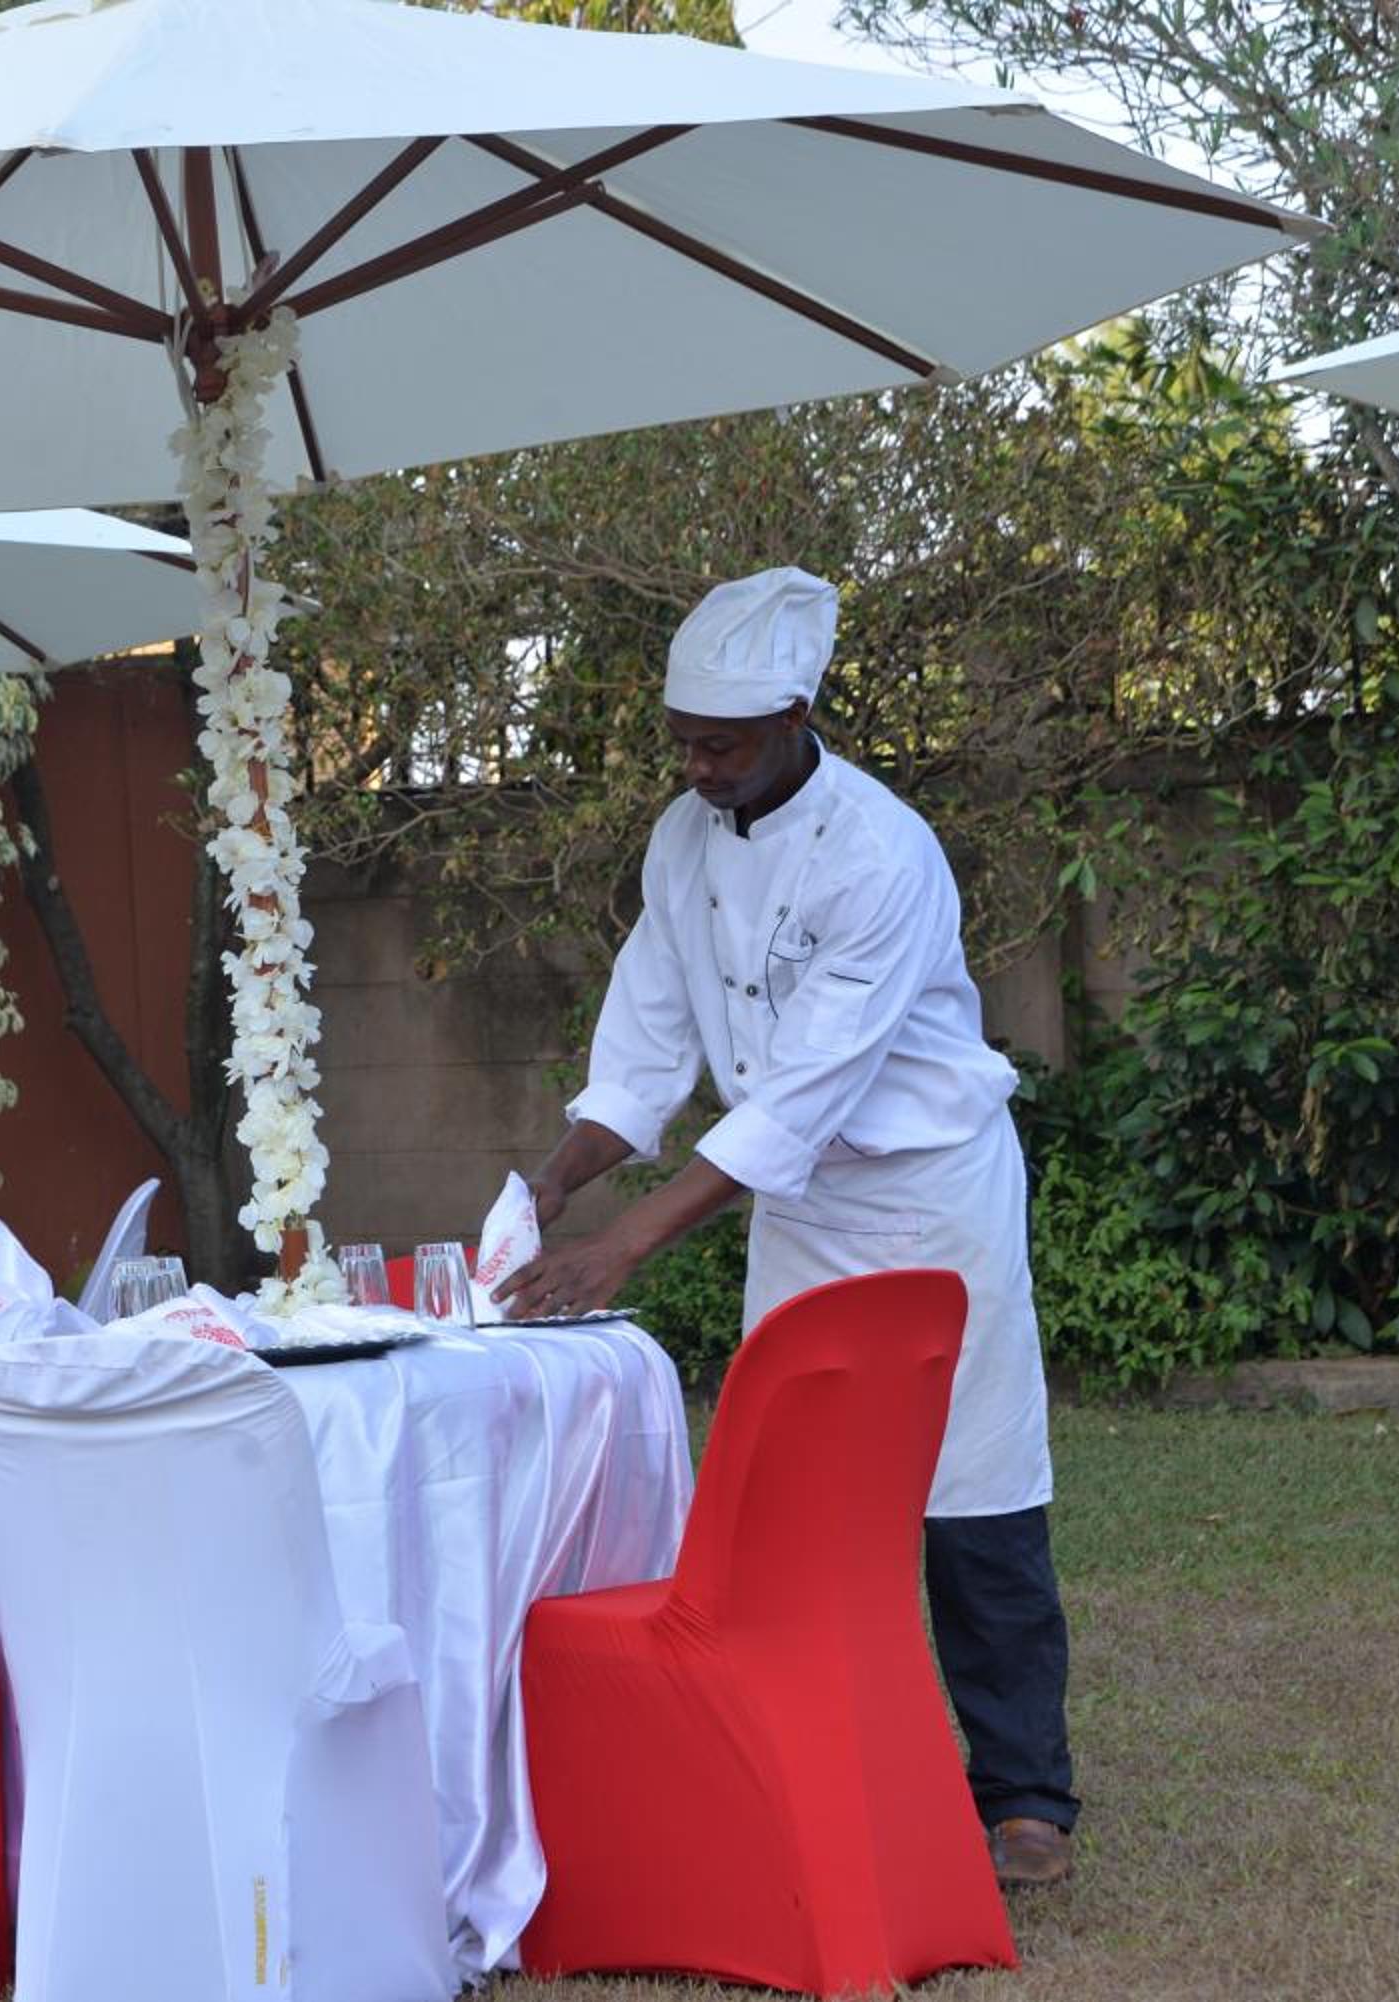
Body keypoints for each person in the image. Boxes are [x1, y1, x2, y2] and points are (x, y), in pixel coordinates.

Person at [499, 565, 1079, 1890]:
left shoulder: (882, 852)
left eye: (723, 744)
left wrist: (625, 1244)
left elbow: (805, 1095)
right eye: (683, 742)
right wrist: (555, 1182)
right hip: (802, 1208)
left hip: (931, 1196)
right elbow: (647, 1047)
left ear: (796, 716)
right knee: (794, 1494)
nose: (698, 767)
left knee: (971, 1488)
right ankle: (808, 1758)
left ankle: (1024, 1795)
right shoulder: (682, 839)